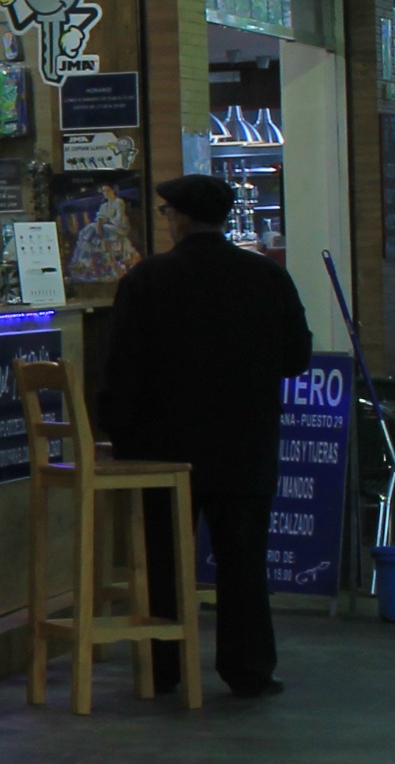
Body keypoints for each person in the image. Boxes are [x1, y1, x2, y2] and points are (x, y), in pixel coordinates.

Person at [98, 174, 312, 699]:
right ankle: (250, 668)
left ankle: (165, 666)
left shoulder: (146, 281)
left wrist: (120, 434)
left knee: (165, 557)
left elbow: (120, 370)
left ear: (179, 218)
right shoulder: (266, 277)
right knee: (243, 561)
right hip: (244, 445)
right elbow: (296, 357)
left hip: (162, 450)